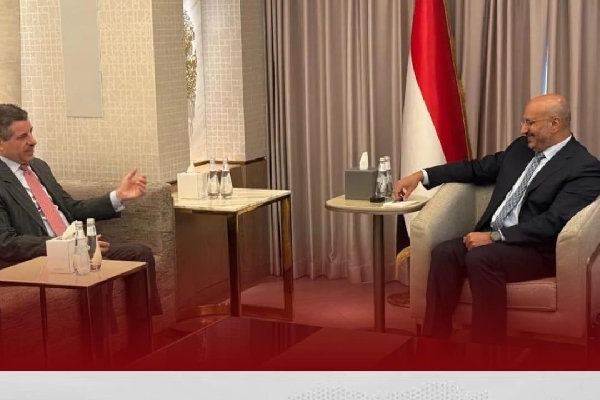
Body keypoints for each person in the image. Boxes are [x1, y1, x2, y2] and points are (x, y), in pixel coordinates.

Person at [393, 94, 600, 344]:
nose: (523, 129)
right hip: (494, 239)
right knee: (444, 253)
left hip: (536, 248)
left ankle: (488, 350)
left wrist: (494, 237)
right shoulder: (521, 149)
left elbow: (553, 222)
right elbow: (476, 169)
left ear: (554, 124)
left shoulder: (583, 166)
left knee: (482, 258)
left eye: (530, 123)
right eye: (524, 122)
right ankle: (434, 342)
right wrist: (421, 175)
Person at [0, 104, 162, 360]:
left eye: (31, 132)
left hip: (76, 246)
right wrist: (68, 247)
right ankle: (98, 357)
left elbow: (71, 208)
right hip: (37, 259)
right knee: (92, 271)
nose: (33, 140)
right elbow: (6, 243)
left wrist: (118, 196)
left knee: (140, 254)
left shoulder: (38, 166)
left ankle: (143, 350)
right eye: (23, 136)